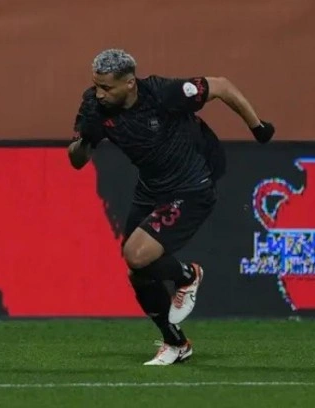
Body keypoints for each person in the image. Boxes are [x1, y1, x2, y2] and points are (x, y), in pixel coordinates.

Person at [68, 49, 274, 366]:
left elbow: (221, 86)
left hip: (191, 186)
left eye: (106, 87)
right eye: (96, 85)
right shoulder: (94, 106)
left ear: (130, 83)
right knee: (138, 272)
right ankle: (176, 344)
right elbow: (77, 161)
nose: (99, 94)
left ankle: (188, 276)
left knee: (136, 254)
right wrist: (85, 142)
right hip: (151, 189)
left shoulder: (164, 94)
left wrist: (258, 127)